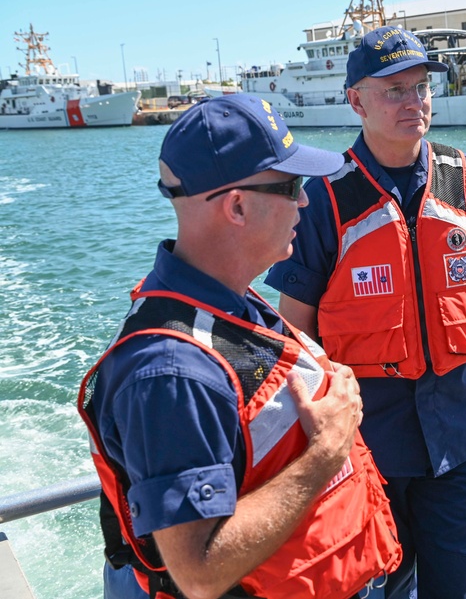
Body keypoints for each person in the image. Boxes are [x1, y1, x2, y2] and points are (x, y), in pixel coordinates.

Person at [266, 25, 466, 599]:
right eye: (393, 90)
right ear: (356, 101)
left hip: (460, 439)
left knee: (457, 588)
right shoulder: (323, 197)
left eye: (421, 88)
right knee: (374, 587)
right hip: (366, 443)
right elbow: (296, 327)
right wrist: (309, 438)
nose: (412, 102)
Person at [77, 94, 402, 599]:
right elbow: (199, 570)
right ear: (236, 205)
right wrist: (327, 451)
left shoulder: (230, 302)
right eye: (292, 186)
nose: (305, 202)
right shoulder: (170, 372)